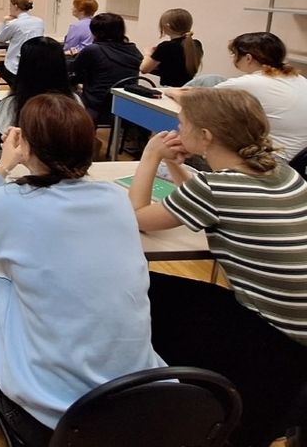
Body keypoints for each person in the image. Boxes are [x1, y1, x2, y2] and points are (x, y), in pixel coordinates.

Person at [0, 94, 165, 443]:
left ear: (27, 146)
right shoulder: (114, 199)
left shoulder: (9, 204)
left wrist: (2, 167)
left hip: (53, 415)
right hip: (139, 400)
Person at [129, 87, 307, 446]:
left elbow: (136, 217)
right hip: (297, 327)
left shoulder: (216, 189)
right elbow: (207, 199)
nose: (177, 130)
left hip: (275, 337)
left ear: (206, 136)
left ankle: (162, 401)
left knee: (143, 289)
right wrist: (174, 164)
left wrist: (150, 156)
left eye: (182, 124)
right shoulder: (283, 173)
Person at [167, 31, 307, 163]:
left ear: (248, 58)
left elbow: (196, 102)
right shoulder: (299, 78)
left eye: (235, 54)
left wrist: (171, 92)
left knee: (177, 149)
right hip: (297, 160)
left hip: (272, 160)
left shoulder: (251, 82)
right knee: (212, 80)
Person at [0, 36, 74, 160]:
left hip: (16, 167)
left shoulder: (12, 104)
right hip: (66, 167)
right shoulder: (75, 102)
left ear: (24, 67)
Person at [70, 12, 142, 124]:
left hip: (97, 106)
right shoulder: (133, 50)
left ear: (95, 31)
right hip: (125, 105)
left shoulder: (94, 50)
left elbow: (75, 72)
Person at [139, 7, 202, 86]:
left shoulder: (166, 47)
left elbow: (144, 69)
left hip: (169, 89)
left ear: (167, 26)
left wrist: (148, 54)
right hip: (189, 88)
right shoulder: (196, 44)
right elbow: (175, 67)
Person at [0, 0, 45, 88]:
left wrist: (3, 21)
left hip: (15, 68)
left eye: (10, 6)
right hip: (34, 65)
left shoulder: (14, 24)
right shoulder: (39, 22)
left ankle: (16, 88)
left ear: (15, 6)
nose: (9, 9)